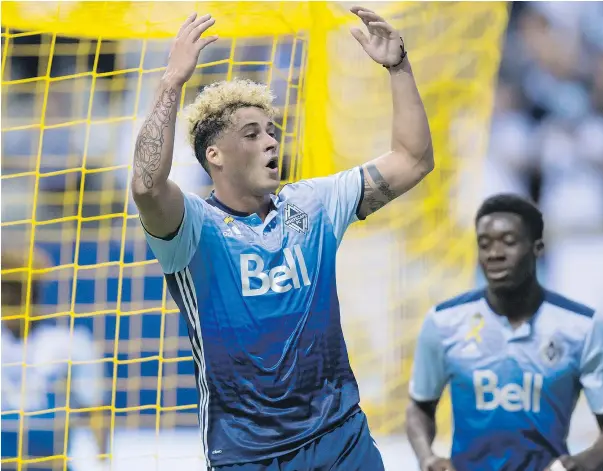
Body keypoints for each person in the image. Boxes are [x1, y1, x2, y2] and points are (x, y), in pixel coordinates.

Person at [130, 6, 432, 471]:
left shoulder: (313, 203)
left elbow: (412, 160)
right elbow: (147, 185)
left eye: (272, 131)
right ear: (215, 156)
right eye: (252, 135)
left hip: (341, 439)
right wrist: (171, 82)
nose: (272, 142)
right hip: (249, 454)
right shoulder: (192, 227)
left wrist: (399, 66)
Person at [405, 194, 603, 471]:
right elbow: (419, 407)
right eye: (484, 244)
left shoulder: (582, 327)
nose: (494, 254)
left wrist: (580, 465)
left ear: (537, 248)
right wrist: (428, 458)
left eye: (508, 242)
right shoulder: (444, 322)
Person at [1, 250, 108, 471]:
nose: (7, 301)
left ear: (33, 294)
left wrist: (103, 457)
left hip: (50, 462)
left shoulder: (69, 345)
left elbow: (95, 408)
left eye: (14, 292)